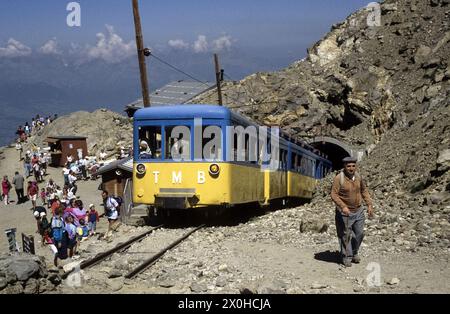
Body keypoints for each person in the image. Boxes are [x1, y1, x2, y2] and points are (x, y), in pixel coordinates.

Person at [331, 156, 374, 267]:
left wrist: (369, 204)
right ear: (344, 166)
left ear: (356, 166)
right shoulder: (338, 178)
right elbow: (334, 194)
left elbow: (364, 190)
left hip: (358, 210)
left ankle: (354, 252)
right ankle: (347, 256)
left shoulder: (358, 177)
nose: (351, 168)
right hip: (345, 212)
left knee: (359, 233)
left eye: (353, 166)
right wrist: (343, 206)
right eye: (348, 166)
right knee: (346, 235)